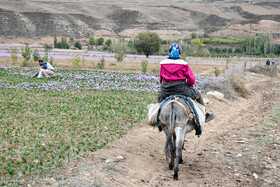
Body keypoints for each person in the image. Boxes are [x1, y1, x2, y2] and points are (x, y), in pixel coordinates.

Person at [158, 43, 215, 123]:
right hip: (182, 89)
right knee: (198, 95)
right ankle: (205, 115)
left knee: (159, 98)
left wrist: (165, 86)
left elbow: (161, 78)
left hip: (166, 90)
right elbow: (191, 79)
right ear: (180, 52)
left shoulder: (163, 64)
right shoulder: (184, 64)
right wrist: (189, 85)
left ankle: (158, 117)